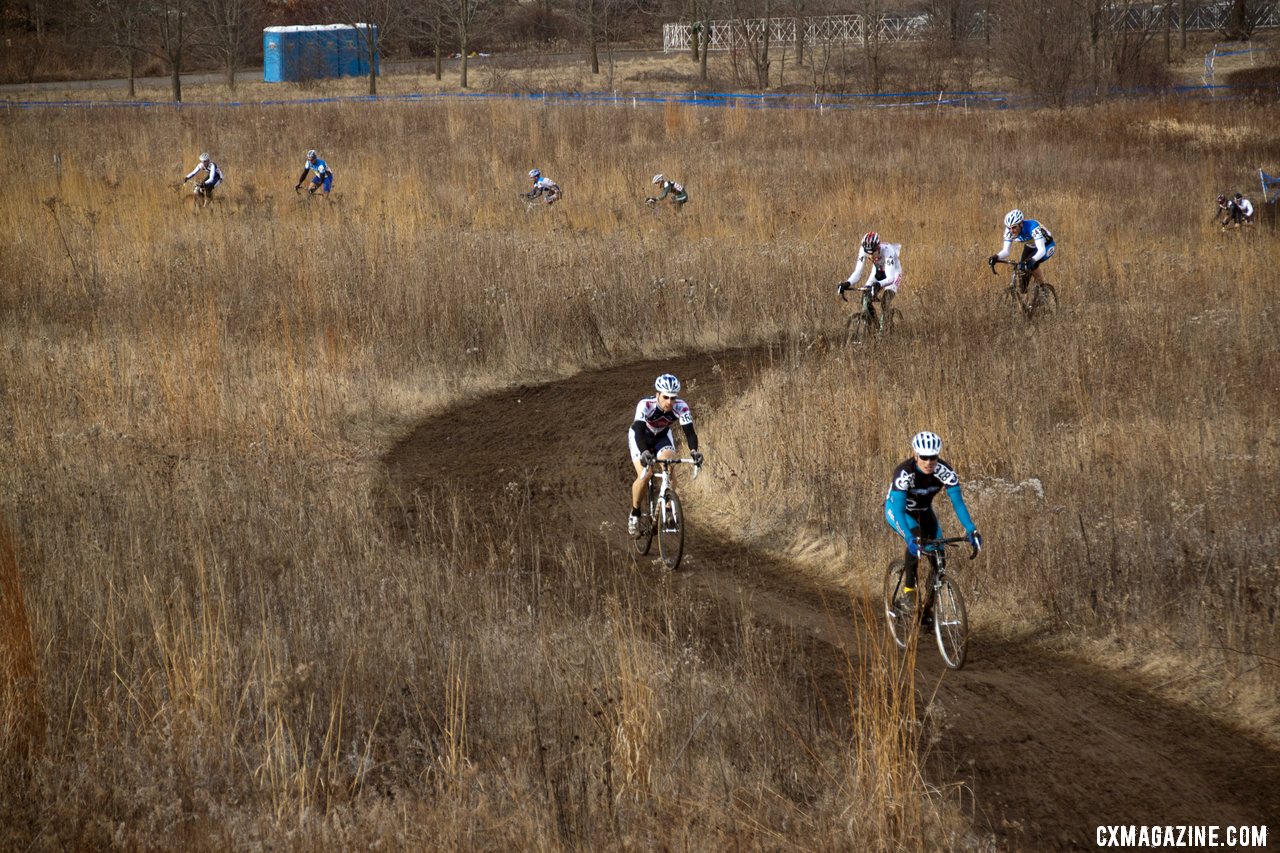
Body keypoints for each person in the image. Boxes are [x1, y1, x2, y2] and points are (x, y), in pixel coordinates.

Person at [884, 431, 982, 622]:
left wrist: (971, 529)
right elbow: (898, 511)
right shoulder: (904, 473)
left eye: (933, 457)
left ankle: (928, 609)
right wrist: (909, 538)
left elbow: (958, 503)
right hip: (900, 512)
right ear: (915, 455)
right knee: (916, 538)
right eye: (924, 457)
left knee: (939, 556)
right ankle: (909, 592)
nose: (929, 462)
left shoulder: (944, 471)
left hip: (924, 511)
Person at [628, 373, 703, 536]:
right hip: (641, 437)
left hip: (661, 436)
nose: (669, 402)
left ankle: (668, 509)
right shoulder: (646, 404)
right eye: (666, 397)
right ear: (658, 395)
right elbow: (639, 430)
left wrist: (694, 451)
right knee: (645, 474)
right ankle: (634, 514)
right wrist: (644, 452)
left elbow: (689, 432)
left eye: (673, 398)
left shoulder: (681, 406)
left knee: (670, 465)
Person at [837, 231, 902, 332]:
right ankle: (875, 327)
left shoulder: (888, 251)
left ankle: (884, 331)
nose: (870, 255)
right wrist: (847, 283)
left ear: (878, 247)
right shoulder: (864, 250)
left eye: (872, 252)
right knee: (865, 299)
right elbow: (858, 272)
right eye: (868, 253)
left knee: (885, 301)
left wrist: (879, 285)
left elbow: (890, 278)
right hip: (877, 271)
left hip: (893, 273)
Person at [988, 209, 1055, 292]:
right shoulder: (1009, 231)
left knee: (1032, 265)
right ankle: (1029, 300)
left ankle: (1043, 289)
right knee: (1022, 285)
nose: (1011, 230)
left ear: (1021, 224)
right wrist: (996, 256)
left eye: (1014, 227)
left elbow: (1041, 250)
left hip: (1046, 245)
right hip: (1030, 246)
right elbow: (1006, 251)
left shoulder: (1032, 227)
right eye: (1009, 228)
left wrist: (1032, 260)